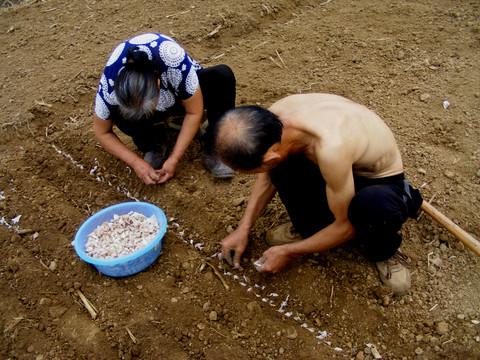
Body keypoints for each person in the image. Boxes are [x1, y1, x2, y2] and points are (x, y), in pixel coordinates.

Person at [214, 93, 423, 293]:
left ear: (269, 159)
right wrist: (243, 228)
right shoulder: (273, 120)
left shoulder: (331, 147)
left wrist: (288, 252)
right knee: (284, 167)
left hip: (379, 180)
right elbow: (268, 175)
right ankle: (310, 228)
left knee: (372, 207)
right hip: (339, 168)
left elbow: (345, 227)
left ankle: (383, 250)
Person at [93, 33, 236, 185]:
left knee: (222, 76)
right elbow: (102, 131)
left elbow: (194, 112)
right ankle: (152, 141)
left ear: (158, 85)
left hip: (182, 97)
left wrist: (174, 158)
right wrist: (135, 162)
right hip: (159, 100)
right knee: (115, 113)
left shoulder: (173, 59)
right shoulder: (109, 84)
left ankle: (214, 143)